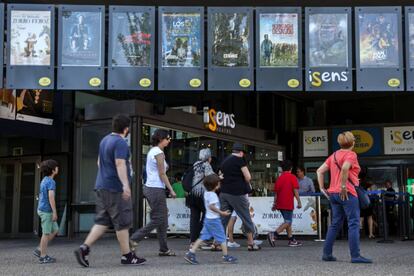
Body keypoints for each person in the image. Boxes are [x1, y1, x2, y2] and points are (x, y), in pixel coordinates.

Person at [74, 114, 146, 267]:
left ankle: (84, 248)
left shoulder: (104, 140)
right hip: (115, 188)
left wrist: (106, 175)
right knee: (122, 222)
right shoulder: (120, 143)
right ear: (126, 129)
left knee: (103, 221)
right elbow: (120, 164)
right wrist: (125, 185)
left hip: (101, 186)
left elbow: (99, 162)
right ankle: (127, 256)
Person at [316, 131, 372, 263]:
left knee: (335, 224)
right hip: (347, 193)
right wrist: (343, 186)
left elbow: (319, 171)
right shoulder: (351, 154)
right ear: (353, 143)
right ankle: (355, 256)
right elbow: (345, 168)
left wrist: (322, 188)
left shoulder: (334, 155)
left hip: (333, 194)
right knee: (353, 223)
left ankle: (327, 254)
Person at [130, 129, 177, 256]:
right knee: (160, 218)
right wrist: (171, 189)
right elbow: (162, 173)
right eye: (168, 138)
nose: (169, 140)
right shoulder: (158, 152)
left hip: (151, 188)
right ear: (161, 139)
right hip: (156, 188)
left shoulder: (153, 151)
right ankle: (135, 238)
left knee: (163, 219)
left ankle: (164, 249)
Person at [184, 174, 237, 265]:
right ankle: (225, 256)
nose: (220, 183)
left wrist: (218, 178)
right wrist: (222, 213)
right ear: (216, 185)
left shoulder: (206, 193)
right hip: (214, 220)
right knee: (222, 238)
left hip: (208, 219)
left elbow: (210, 183)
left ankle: (191, 253)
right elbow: (211, 206)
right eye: (219, 182)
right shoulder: (213, 195)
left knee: (202, 237)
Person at [219, 143, 260, 251]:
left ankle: (217, 243)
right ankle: (251, 243)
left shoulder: (225, 161)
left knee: (223, 218)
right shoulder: (240, 159)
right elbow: (248, 177)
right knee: (246, 216)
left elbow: (220, 175)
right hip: (237, 192)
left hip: (223, 192)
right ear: (241, 152)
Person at [268, 160, 303, 247]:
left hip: (280, 203)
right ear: (291, 168)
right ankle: (274, 234)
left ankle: (291, 240)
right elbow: (295, 191)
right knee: (288, 221)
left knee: (287, 221)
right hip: (288, 202)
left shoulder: (279, 178)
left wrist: (274, 204)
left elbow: (276, 193)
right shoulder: (292, 177)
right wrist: (299, 202)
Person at [187, 148, 214, 248]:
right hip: (202, 194)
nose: (211, 159)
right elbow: (211, 179)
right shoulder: (206, 165)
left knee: (194, 217)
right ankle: (200, 239)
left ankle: (193, 241)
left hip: (192, 194)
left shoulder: (195, 164)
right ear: (208, 157)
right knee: (207, 214)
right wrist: (219, 177)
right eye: (210, 156)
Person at [33, 159, 59, 264]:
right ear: (53, 170)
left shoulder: (44, 180)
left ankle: (40, 249)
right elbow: (51, 197)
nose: (58, 168)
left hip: (42, 209)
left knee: (55, 230)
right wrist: (54, 212)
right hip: (47, 211)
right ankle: (43, 256)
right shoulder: (51, 182)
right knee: (46, 233)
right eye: (56, 167)